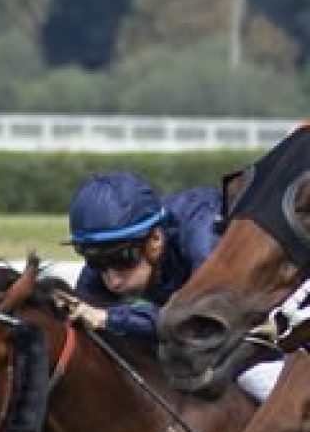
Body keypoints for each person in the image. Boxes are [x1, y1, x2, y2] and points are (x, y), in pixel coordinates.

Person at [59, 170, 277, 400]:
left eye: (122, 260)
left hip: (284, 310)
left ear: (155, 239)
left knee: (255, 379)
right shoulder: (120, 244)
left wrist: (109, 318)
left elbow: (200, 322)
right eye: (97, 263)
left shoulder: (202, 238)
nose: (112, 279)